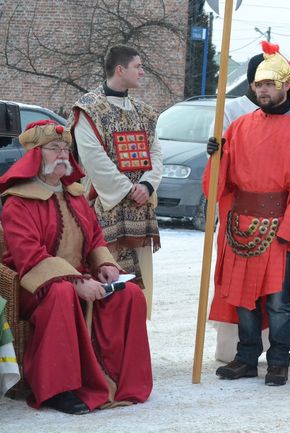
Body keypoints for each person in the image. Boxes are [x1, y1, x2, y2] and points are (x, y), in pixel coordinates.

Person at [0, 120, 152, 413]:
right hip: (35, 285)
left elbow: (94, 238)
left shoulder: (75, 195)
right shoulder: (18, 202)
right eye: (53, 149)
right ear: (35, 155)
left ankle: (121, 380)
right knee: (62, 295)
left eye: (65, 149)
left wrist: (105, 265)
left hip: (80, 277)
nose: (62, 155)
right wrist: (76, 283)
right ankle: (59, 389)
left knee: (129, 294)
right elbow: (29, 256)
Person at [207, 46, 290, 368]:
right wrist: (217, 156)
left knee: (278, 302)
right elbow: (222, 183)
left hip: (279, 227)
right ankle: (246, 357)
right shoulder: (239, 127)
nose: (263, 90)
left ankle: (279, 360)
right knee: (244, 299)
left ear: (285, 86)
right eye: (258, 84)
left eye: (270, 84)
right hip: (241, 227)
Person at [70, 44, 162, 318]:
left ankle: (133, 337)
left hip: (139, 209)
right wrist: (126, 189)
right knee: (104, 274)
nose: (142, 72)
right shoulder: (88, 109)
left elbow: (156, 152)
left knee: (140, 281)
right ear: (120, 69)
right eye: (138, 66)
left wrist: (146, 186)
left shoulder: (144, 112)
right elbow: (92, 158)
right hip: (103, 207)